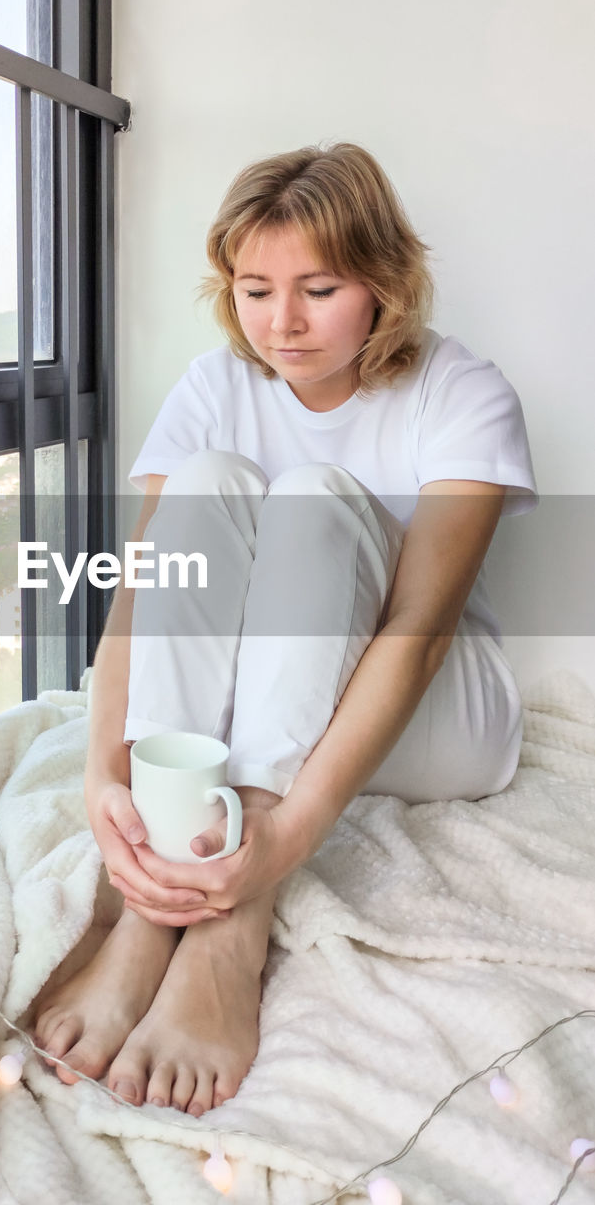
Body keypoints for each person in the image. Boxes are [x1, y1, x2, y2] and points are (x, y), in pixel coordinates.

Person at [33, 142, 537, 1118]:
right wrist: (106, 776)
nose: (282, 322)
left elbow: (419, 629)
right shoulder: (215, 387)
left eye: (318, 287)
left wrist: (281, 844)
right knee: (212, 479)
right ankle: (155, 897)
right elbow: (143, 592)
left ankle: (230, 925)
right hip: (265, 704)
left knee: (310, 498)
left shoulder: (460, 390)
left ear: (383, 282)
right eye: (255, 289)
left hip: (427, 712)